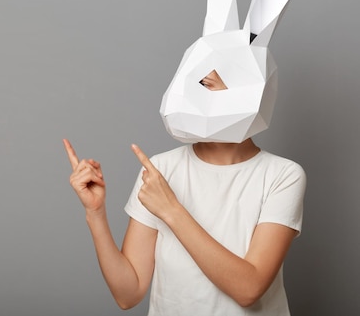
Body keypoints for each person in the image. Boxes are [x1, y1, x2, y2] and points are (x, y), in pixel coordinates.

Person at [63, 70, 306, 315]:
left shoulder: (283, 175)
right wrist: (95, 213)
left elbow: (248, 289)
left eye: (207, 87)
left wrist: (171, 210)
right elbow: (128, 293)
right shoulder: (161, 169)